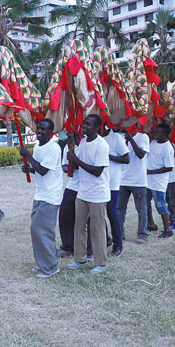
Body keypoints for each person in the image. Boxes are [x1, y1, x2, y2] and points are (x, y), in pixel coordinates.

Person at [66, 115, 110, 274]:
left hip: (98, 193)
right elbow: (79, 166)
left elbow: (98, 171)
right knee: (79, 227)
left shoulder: (102, 145)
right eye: (84, 124)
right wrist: (71, 159)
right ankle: (80, 259)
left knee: (97, 228)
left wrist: (76, 160)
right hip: (83, 192)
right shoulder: (83, 142)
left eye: (89, 125)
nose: (85, 126)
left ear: (98, 127)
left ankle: (101, 262)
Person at [20, 119, 62, 278]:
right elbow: (38, 168)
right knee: (38, 231)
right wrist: (29, 169)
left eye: (44, 129)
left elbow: (43, 169)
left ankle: (51, 267)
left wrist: (28, 156)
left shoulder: (54, 148)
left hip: (51, 196)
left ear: (51, 132)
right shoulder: (38, 146)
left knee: (40, 230)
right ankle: (44, 264)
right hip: (40, 194)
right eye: (38, 128)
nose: (39, 131)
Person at [117, 129, 150, 244]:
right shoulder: (120, 137)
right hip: (122, 180)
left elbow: (141, 155)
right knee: (119, 209)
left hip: (138, 180)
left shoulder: (143, 137)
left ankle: (142, 234)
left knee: (141, 210)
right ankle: (120, 233)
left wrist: (130, 139)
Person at [102, 128, 130, 257]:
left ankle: (118, 244)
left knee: (112, 214)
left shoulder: (116, 138)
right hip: (99, 183)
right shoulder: (95, 138)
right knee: (98, 214)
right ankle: (106, 238)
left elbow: (126, 158)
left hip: (112, 183)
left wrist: (108, 156)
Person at [146, 123, 175, 238]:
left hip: (158, 182)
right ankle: (151, 224)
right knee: (146, 204)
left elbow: (169, 167)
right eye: (155, 131)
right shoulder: (153, 142)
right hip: (148, 180)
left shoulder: (167, 147)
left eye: (157, 132)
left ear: (165, 134)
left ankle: (167, 229)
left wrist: (151, 172)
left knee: (161, 205)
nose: (155, 134)